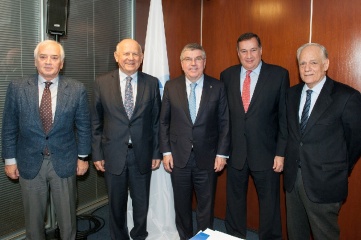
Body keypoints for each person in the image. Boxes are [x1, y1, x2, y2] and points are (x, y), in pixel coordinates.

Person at [2, 40, 91, 239]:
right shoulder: (17, 88)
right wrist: (9, 160)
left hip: (65, 161)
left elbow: (84, 126)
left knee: (68, 219)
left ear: (62, 63)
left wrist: (83, 157)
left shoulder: (77, 89)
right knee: (33, 222)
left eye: (54, 57)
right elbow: (9, 126)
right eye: (43, 57)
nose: (48, 62)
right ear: (35, 62)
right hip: (29, 161)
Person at [284, 43, 361, 239]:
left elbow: (356, 141)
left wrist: (339, 167)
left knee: (324, 235)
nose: (307, 68)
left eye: (313, 62)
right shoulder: (291, 94)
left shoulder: (347, 97)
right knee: (296, 234)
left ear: (325, 64)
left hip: (325, 181)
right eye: (302, 64)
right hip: (293, 179)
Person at [220, 32, 289, 240]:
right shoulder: (227, 75)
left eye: (253, 50)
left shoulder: (279, 75)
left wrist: (281, 152)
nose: (248, 55)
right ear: (237, 53)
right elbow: (224, 117)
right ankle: (234, 236)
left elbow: (284, 118)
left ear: (261, 50)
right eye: (243, 51)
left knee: (270, 206)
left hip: (267, 154)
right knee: (234, 203)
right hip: (236, 153)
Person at [91, 38, 162, 240]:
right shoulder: (101, 83)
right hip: (112, 154)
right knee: (116, 204)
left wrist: (157, 151)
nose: (130, 58)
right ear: (116, 57)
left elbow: (156, 121)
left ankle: (139, 236)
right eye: (126, 54)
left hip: (143, 154)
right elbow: (95, 122)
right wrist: (96, 153)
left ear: (141, 58)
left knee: (141, 203)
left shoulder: (152, 82)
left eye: (135, 54)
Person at [159, 43, 230, 240]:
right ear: (181, 64)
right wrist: (166, 152)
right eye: (188, 59)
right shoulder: (171, 87)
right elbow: (163, 121)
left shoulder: (217, 87)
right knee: (182, 207)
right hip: (178, 158)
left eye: (198, 58)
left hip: (208, 159)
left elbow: (225, 123)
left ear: (204, 62)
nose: (193, 63)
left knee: (205, 208)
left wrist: (222, 154)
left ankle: (204, 237)